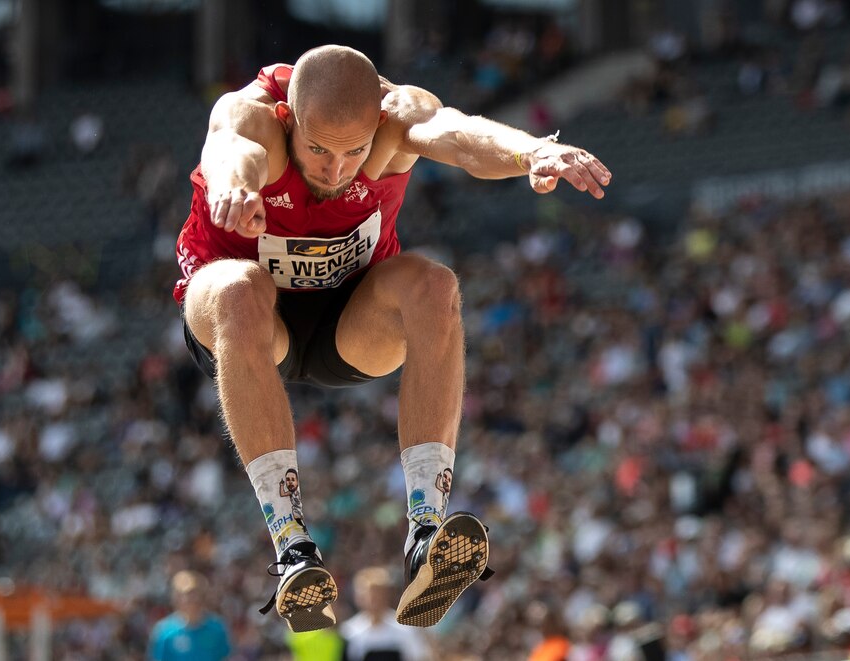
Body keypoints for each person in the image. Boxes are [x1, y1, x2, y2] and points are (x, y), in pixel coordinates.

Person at [173, 44, 611, 633]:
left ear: (376, 126)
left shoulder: (398, 115)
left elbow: (455, 132)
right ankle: (293, 549)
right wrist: (234, 190)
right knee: (239, 290)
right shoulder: (252, 115)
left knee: (435, 288)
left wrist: (534, 149)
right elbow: (230, 150)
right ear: (289, 122)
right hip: (247, 321)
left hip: (347, 323)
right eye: (318, 151)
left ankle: (427, 532)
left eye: (354, 153)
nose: (335, 172)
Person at [340, 566, 429, 661]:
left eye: (377, 594)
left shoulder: (405, 629)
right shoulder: (349, 631)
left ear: (386, 595)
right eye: (369, 595)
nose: (373, 600)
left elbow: (418, 657)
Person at [149, 571, 232, 661]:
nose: (188, 599)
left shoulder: (216, 628)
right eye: (183, 595)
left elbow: (225, 656)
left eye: (193, 594)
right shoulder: (165, 631)